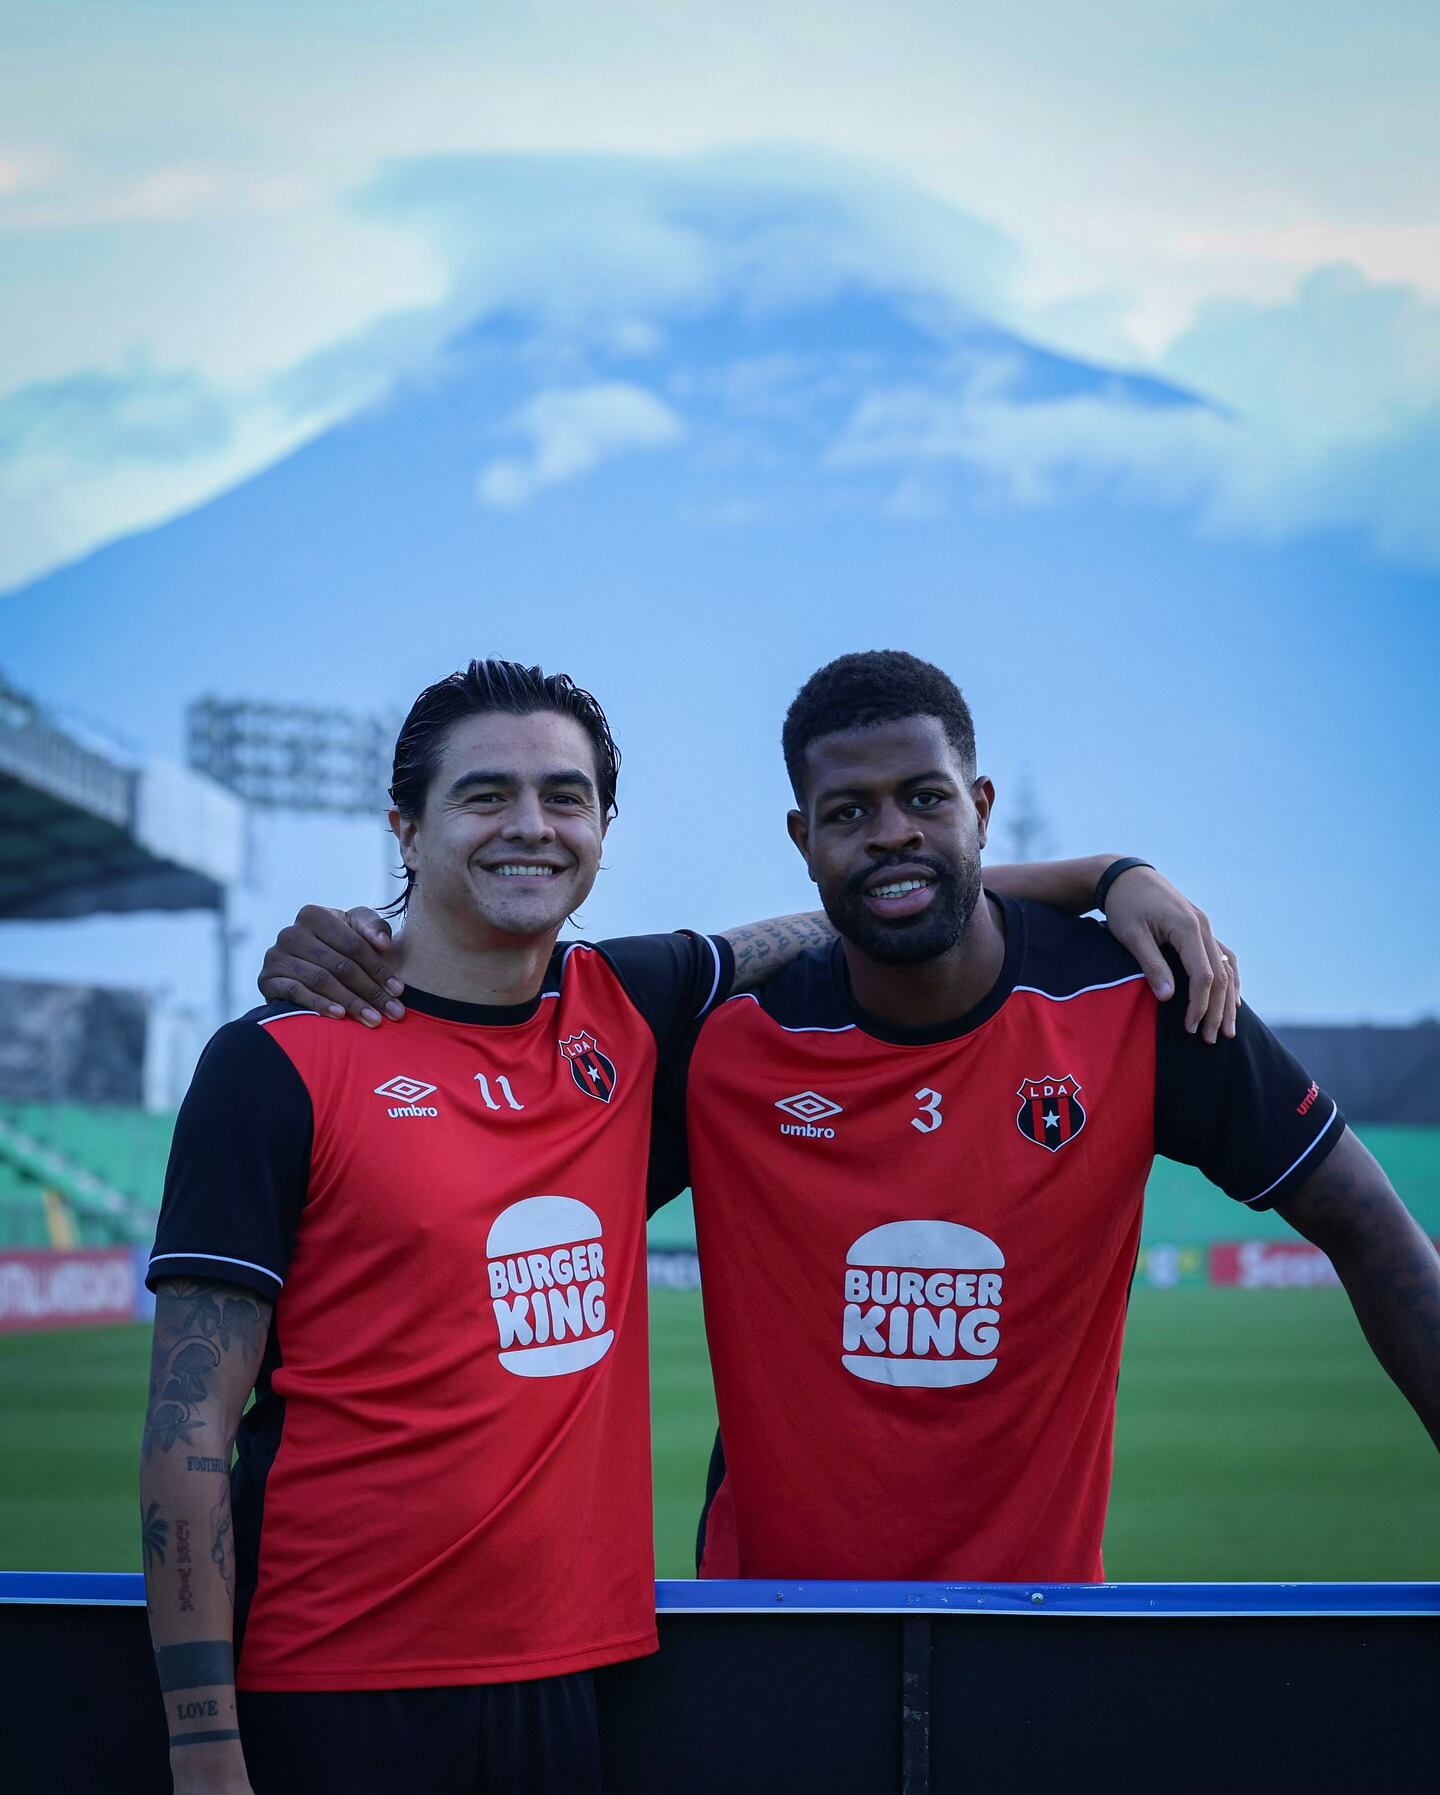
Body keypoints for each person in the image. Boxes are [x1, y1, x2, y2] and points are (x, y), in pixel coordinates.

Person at [148, 658, 1226, 1795]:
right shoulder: (274, 1062)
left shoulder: (634, 1007)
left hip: (576, 1684)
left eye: (565, 798)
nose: (532, 826)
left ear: (605, 829)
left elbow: (879, 895)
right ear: (404, 830)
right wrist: (204, 1742)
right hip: (335, 1688)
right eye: (484, 796)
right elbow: (185, 1431)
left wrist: (1112, 875)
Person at [671, 651, 1440, 1581]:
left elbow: (1371, 1227)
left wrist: (1111, 875)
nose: (891, 833)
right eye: (849, 813)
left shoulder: (1143, 995)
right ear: (803, 840)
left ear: (983, 807)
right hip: (773, 1632)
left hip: (1040, 1635)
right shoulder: (724, 1043)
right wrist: (1105, 869)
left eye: (925, 798)